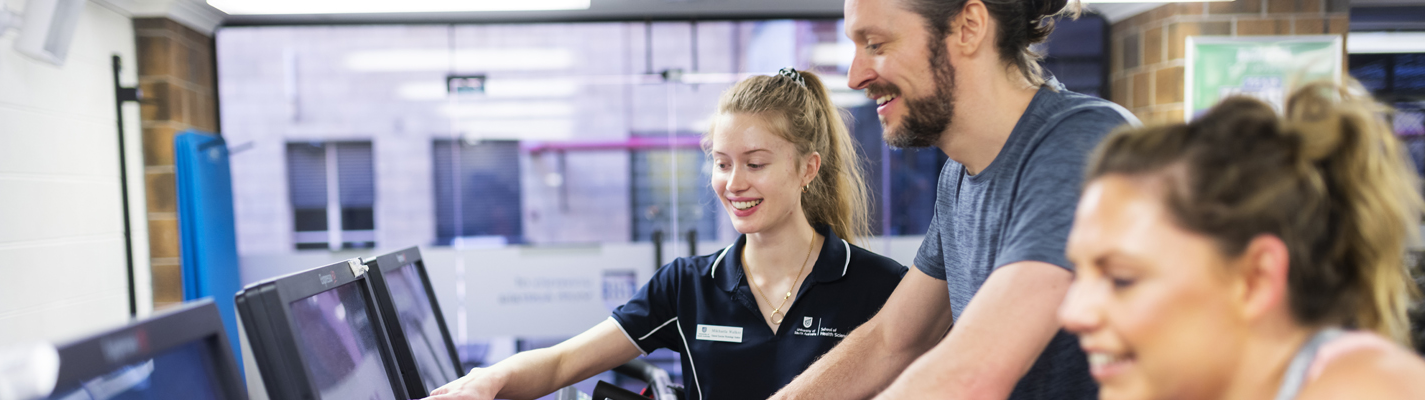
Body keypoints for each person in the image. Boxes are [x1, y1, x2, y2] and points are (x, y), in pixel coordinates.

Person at [427, 68, 908, 400]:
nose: (733, 183)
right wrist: (485, 381)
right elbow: (561, 363)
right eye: (722, 163)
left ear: (808, 169)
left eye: (756, 164)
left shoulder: (882, 287)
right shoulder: (687, 286)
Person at [770, 0, 1135, 399]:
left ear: (968, 27)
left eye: (875, 44)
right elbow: (891, 341)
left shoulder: (1084, 145)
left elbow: (975, 369)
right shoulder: (958, 176)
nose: (856, 77)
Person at [1059, 83, 1425, 399]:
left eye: (1121, 279)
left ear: (1255, 279)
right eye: (1079, 274)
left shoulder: (1367, 388)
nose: (1072, 314)